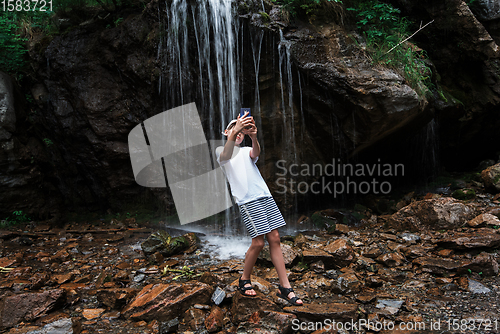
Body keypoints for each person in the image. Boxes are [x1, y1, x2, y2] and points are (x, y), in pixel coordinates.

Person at [216, 111, 303, 306]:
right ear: (226, 132)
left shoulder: (246, 150)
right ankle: (244, 279)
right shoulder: (222, 151)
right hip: (248, 200)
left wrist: (253, 136)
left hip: (265, 196)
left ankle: (285, 287)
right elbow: (226, 154)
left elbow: (256, 153)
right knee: (258, 243)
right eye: (233, 128)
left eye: (240, 130)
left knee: (275, 239)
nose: (238, 132)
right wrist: (235, 130)